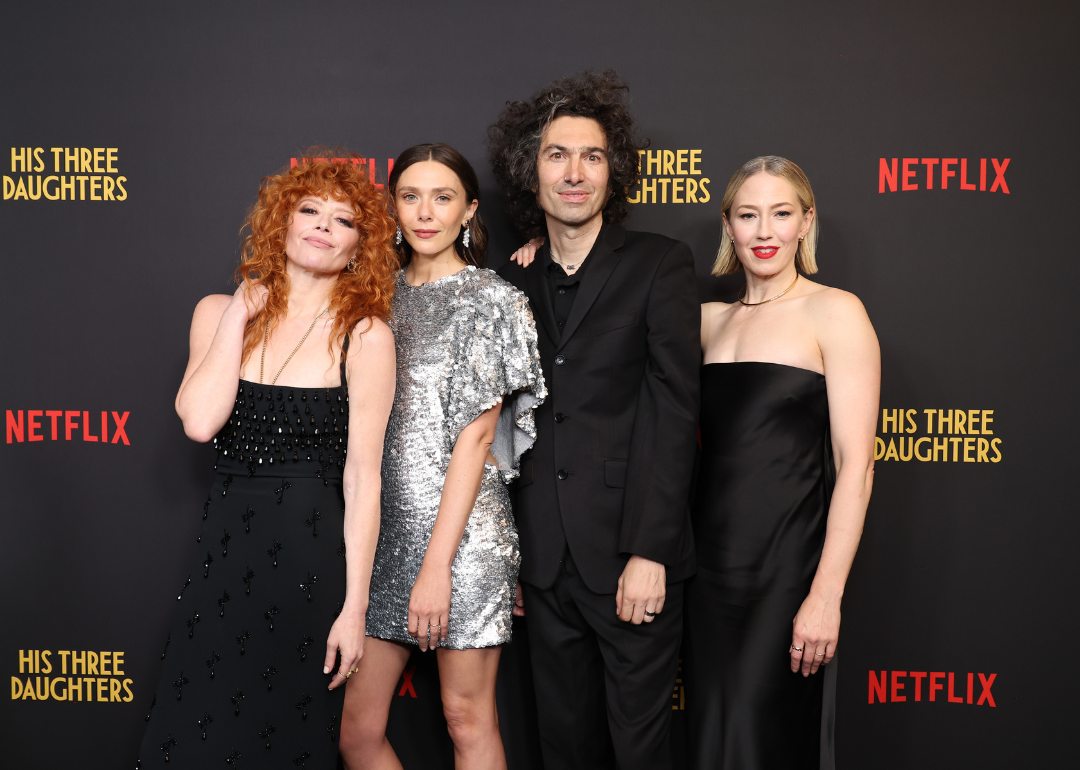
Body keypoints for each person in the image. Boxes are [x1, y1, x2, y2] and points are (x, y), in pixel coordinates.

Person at [138, 151, 398, 768]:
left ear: (360, 247)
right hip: (225, 555)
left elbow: (364, 478)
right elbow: (200, 422)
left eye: (343, 221)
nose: (322, 226)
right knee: (198, 725)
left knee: (284, 735)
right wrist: (237, 313)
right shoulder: (215, 312)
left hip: (311, 563)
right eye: (309, 211)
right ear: (280, 223)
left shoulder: (365, 335)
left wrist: (354, 608)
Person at [493, 71, 700, 770]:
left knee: (641, 751)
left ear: (615, 172)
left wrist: (652, 552)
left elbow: (674, 413)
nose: (574, 172)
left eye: (592, 156)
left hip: (628, 559)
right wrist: (515, 559)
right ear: (531, 171)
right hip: (543, 563)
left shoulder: (660, 264)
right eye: (557, 155)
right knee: (562, 748)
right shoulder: (511, 280)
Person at [337, 143, 545, 770]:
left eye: (443, 197)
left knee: (466, 718)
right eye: (410, 196)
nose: (425, 213)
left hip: (464, 541)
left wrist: (437, 568)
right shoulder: (371, 299)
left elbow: (477, 441)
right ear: (392, 207)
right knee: (356, 733)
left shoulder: (491, 300)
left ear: (469, 211)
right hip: (381, 537)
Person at [685, 156, 880, 769]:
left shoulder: (836, 312)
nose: (764, 231)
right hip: (706, 578)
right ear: (729, 226)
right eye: (748, 215)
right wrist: (546, 244)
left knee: (761, 745)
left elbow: (857, 466)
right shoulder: (706, 321)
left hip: (787, 575)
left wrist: (827, 595)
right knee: (711, 744)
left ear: (805, 222)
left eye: (780, 213)